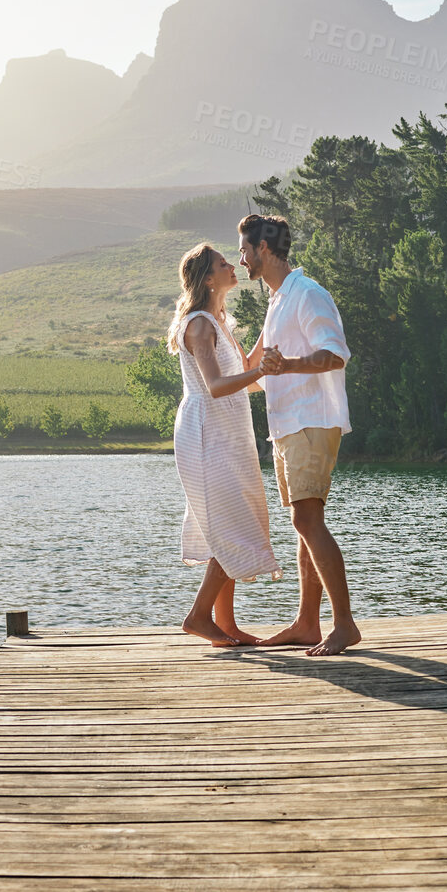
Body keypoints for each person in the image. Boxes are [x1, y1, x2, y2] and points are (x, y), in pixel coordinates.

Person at [237, 214, 361, 657]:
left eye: (245, 250)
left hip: (313, 419)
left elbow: (335, 355)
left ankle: (344, 625)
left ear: (264, 249)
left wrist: (287, 365)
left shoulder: (307, 294)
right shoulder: (276, 302)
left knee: (307, 520)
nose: (242, 257)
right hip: (286, 425)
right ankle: (308, 623)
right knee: (302, 523)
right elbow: (253, 373)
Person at [167, 242, 281, 647]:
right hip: (206, 432)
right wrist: (258, 373)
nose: (232, 265)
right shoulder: (198, 324)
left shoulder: (217, 321)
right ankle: (199, 616)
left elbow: (246, 369)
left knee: (230, 521)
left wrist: (272, 321)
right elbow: (216, 387)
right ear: (208, 278)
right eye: (222, 262)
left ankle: (225, 626)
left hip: (226, 432)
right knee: (230, 525)